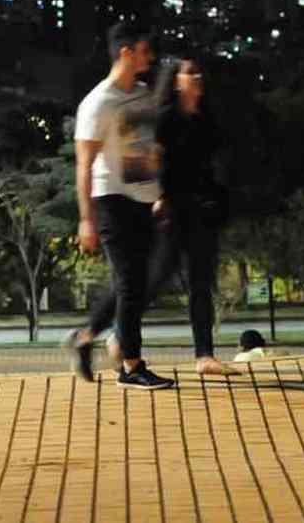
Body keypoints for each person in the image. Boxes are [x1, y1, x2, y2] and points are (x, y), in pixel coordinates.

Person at [64, 21, 175, 390]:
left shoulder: (142, 94)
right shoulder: (98, 103)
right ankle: (131, 366)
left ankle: (85, 337)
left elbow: (146, 147)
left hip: (143, 199)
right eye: (145, 50)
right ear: (126, 52)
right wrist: (86, 219)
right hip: (111, 200)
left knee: (135, 284)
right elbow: (83, 164)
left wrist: (158, 192)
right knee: (130, 284)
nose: (151, 57)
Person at [148, 57, 237, 377]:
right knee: (158, 279)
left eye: (199, 71)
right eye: (189, 72)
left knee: (201, 283)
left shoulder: (205, 118)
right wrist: (158, 197)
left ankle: (205, 356)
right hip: (172, 209)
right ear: (175, 80)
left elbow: (216, 161)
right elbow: (152, 160)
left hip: (202, 210)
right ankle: (122, 335)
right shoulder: (165, 119)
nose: (197, 76)